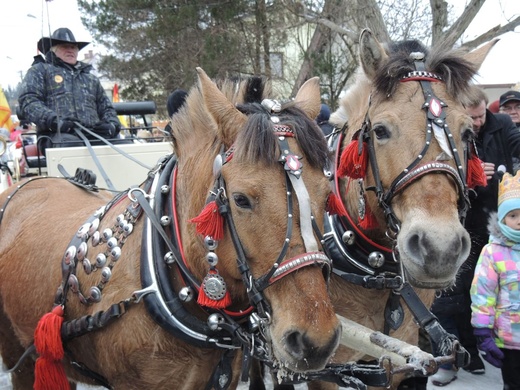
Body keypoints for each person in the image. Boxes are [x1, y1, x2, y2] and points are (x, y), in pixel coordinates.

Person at [430, 86, 520, 386]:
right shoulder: (449, 129)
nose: (478, 123)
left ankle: (480, 351)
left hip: (498, 223)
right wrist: (471, 172)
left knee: (487, 292)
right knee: (452, 294)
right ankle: (455, 357)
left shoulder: (503, 125)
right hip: (461, 223)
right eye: (472, 118)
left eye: (481, 115)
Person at [18, 28, 121, 152]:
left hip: (94, 134)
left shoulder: (91, 79)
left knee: (125, 144)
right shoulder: (39, 71)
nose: (70, 50)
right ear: (53, 50)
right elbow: (29, 102)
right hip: (54, 136)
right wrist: (54, 120)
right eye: (64, 46)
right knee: (71, 147)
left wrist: (111, 125)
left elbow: (107, 108)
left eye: (73, 47)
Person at [471, 171, 520, 390]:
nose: (519, 221)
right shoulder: (492, 253)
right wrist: (482, 331)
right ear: (502, 219)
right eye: (513, 215)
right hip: (509, 340)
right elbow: (483, 293)